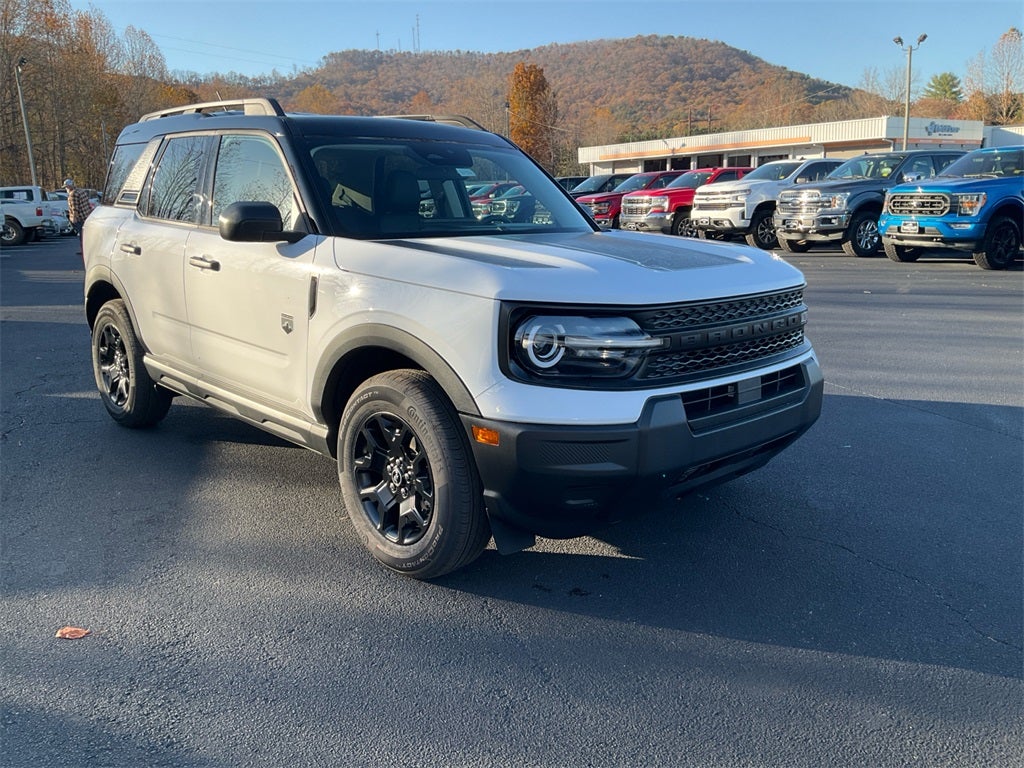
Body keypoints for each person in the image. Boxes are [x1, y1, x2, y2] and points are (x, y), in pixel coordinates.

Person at [64, 178, 93, 254]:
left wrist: (74, 218)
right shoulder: (82, 191)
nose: (66, 189)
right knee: (86, 234)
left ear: (69, 187)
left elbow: (75, 208)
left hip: (80, 217)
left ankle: (84, 250)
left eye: (66, 187)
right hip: (87, 215)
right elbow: (87, 203)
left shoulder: (72, 194)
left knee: (81, 235)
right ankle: (89, 249)